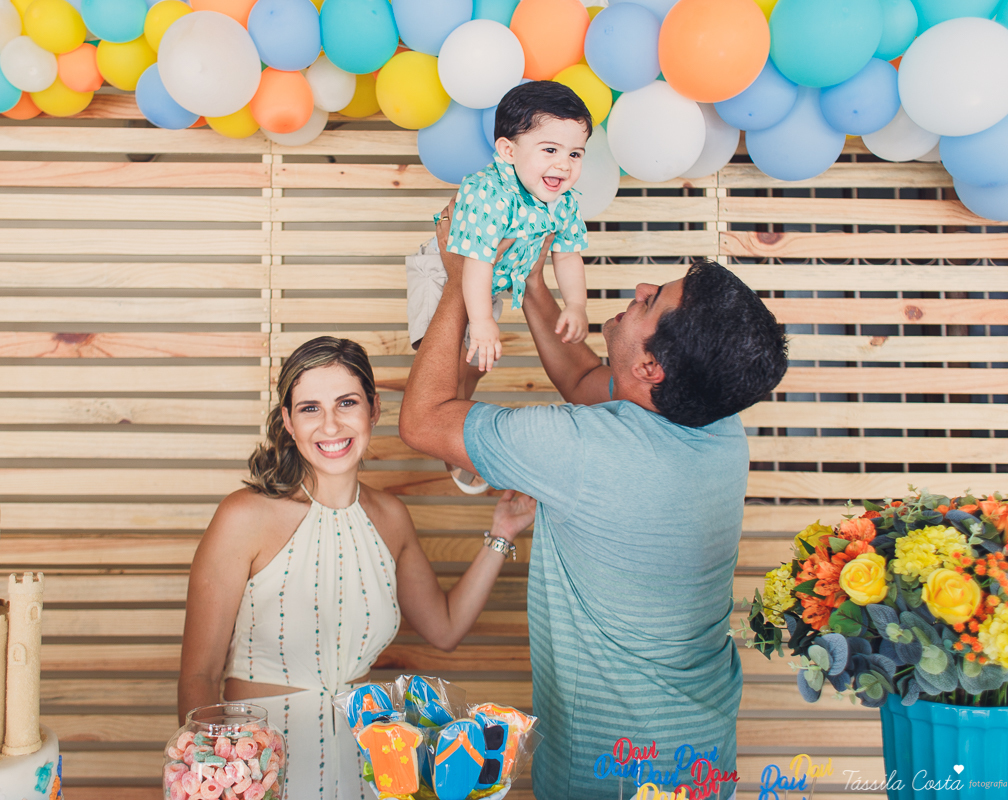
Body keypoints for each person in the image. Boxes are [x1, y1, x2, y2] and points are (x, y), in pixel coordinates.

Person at [399, 210, 788, 799]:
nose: (639, 290)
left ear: (653, 366)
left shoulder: (583, 450)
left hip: (611, 769)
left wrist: (464, 279)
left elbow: (422, 422)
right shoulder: (717, 422)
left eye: (652, 299)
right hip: (704, 754)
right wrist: (531, 286)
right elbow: (588, 383)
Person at [178, 336, 537, 800]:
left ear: (373, 409)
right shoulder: (243, 516)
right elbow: (198, 676)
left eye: (346, 402)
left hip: (367, 768)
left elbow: (445, 628)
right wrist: (213, 780)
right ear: (287, 421)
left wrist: (503, 532)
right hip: (258, 769)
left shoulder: (390, 517)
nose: (330, 425)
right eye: (310, 408)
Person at [407, 80, 593, 495]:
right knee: (443, 356)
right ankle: (448, 439)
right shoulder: (487, 193)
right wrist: (483, 320)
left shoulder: (564, 200)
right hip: (445, 272)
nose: (564, 165)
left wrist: (576, 305)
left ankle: (459, 391)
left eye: (574, 154)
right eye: (550, 149)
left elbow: (566, 254)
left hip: (491, 281)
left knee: (471, 362)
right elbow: (474, 264)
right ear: (509, 152)